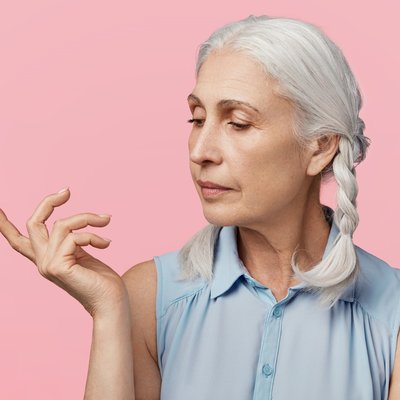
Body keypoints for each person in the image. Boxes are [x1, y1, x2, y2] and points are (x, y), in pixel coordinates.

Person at [1, 14, 399, 400]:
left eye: (238, 123)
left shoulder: (391, 312)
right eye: (196, 118)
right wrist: (107, 312)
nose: (200, 151)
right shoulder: (146, 298)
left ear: (320, 146)